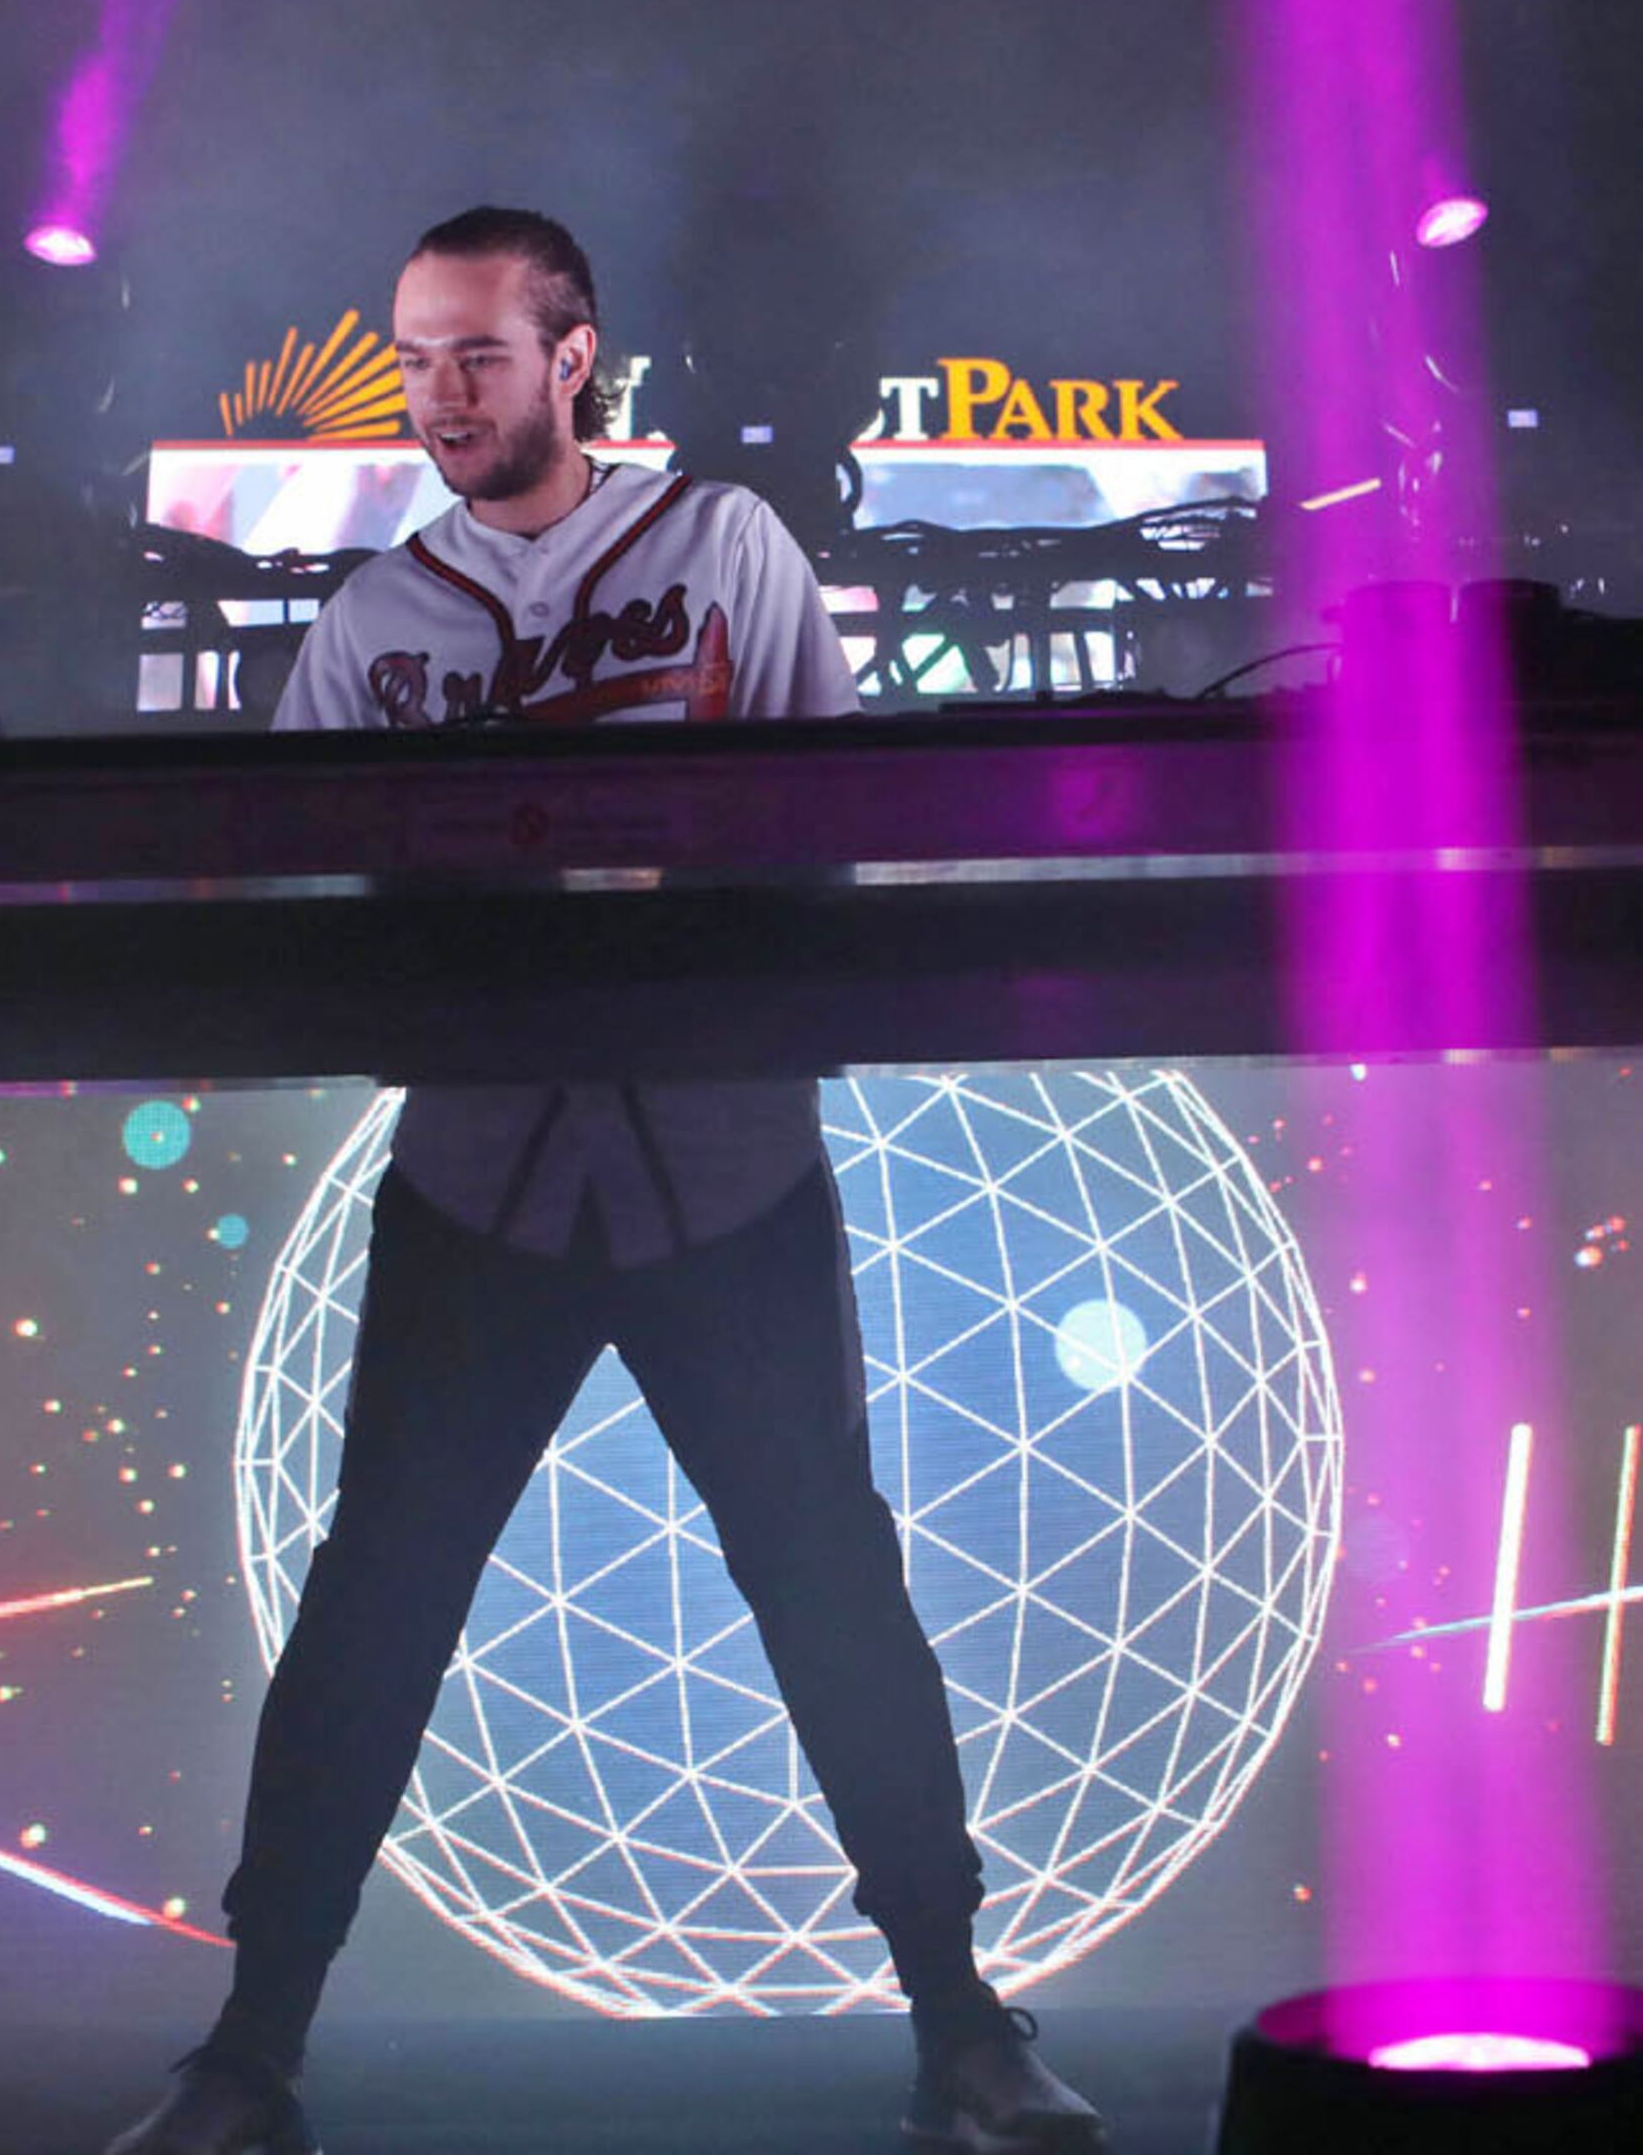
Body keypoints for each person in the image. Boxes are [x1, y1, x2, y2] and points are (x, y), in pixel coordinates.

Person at [106, 209, 1108, 2155]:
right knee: (374, 1605)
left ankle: (964, 2023)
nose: (440, 392)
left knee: (832, 1584)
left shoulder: (721, 544)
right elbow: (298, 901)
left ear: (577, 357)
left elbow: (833, 837)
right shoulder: (372, 618)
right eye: (415, 354)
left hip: (722, 1152)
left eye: (479, 351)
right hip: (481, 1156)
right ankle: (248, 2051)